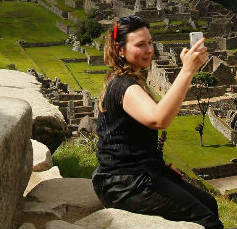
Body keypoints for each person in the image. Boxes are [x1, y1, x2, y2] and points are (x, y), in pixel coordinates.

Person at [91, 15, 224, 229]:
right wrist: (187, 70)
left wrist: (158, 167)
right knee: (207, 222)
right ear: (120, 50)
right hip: (124, 183)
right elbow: (158, 119)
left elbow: (131, 141)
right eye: (140, 45)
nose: (149, 50)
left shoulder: (127, 80)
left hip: (138, 173)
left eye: (150, 43)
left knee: (210, 204)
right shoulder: (124, 86)